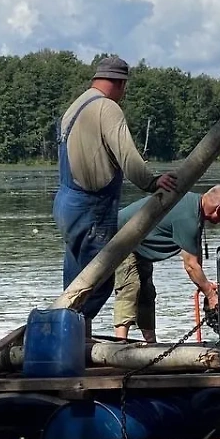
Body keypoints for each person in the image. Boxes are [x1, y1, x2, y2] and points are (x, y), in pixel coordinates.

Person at [52, 56, 178, 320]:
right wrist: (152, 181)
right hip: (91, 208)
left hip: (66, 205)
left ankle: (76, 340)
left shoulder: (74, 108)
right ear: (120, 84)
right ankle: (72, 335)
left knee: (75, 283)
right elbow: (127, 156)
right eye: (124, 88)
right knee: (98, 279)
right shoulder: (106, 108)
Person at [113, 185, 220, 343]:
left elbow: (195, 256)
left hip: (140, 245)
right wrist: (211, 295)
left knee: (147, 292)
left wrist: (206, 284)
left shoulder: (195, 208)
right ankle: (119, 343)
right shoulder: (188, 217)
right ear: (219, 210)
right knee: (130, 287)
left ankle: (150, 342)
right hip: (121, 238)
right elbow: (190, 266)